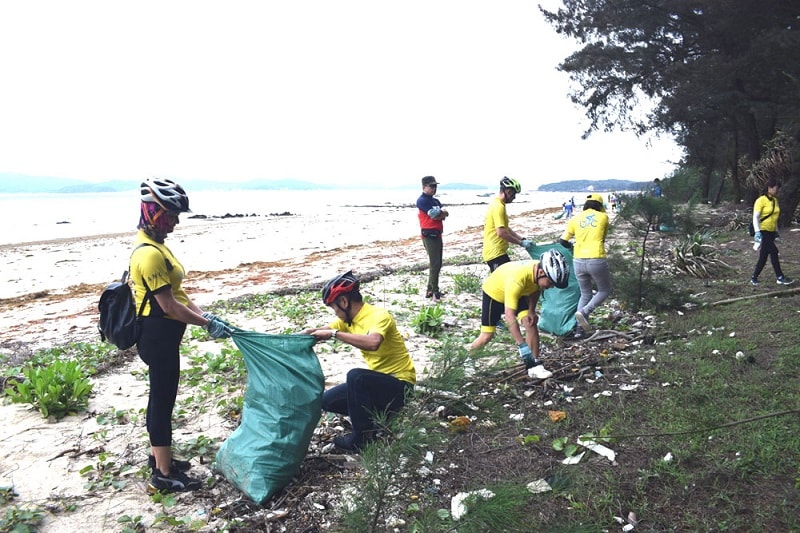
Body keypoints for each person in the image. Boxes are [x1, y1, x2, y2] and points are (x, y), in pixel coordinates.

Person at [131, 178, 233, 493]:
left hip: (164, 334)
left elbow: (180, 293)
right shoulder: (148, 254)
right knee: (161, 402)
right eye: (171, 215)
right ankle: (162, 474)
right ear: (153, 211)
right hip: (157, 335)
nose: (175, 221)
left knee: (163, 399)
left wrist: (206, 315)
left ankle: (159, 458)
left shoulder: (158, 245)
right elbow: (170, 306)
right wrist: (204, 325)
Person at [302, 271, 416, 452]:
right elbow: (318, 332)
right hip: (379, 387)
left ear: (344, 302)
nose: (335, 313)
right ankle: (379, 417)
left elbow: (373, 343)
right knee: (326, 401)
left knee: (356, 376)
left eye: (334, 308)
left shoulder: (378, 315)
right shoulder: (347, 321)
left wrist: (334, 334)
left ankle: (362, 439)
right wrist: (299, 337)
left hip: (401, 386)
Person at [468, 249, 570, 379]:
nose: (551, 287)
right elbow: (509, 316)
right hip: (494, 293)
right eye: (550, 283)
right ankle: (468, 361)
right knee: (487, 335)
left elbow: (536, 289)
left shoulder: (538, 273)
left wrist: (532, 310)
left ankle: (533, 365)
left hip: (520, 292)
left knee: (530, 322)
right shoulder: (518, 279)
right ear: (541, 272)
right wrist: (522, 345)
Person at [559, 193, 611, 338]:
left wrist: (573, 246)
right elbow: (603, 237)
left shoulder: (575, 219)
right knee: (604, 290)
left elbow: (562, 241)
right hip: (596, 258)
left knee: (585, 293)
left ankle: (579, 330)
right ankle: (584, 312)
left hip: (578, 260)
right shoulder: (603, 217)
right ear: (600, 205)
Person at [482, 176, 533, 272]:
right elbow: (501, 232)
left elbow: (506, 228)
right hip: (495, 254)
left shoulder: (497, 204)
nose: (514, 198)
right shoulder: (498, 207)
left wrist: (521, 239)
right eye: (514, 194)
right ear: (508, 191)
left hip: (498, 252)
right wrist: (520, 243)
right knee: (502, 283)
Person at [751, 178, 794, 286]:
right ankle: (780, 277)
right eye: (776, 188)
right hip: (763, 230)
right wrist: (757, 232)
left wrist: (776, 232)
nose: (777, 190)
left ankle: (754, 277)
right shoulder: (760, 200)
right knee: (774, 251)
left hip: (771, 231)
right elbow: (755, 217)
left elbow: (774, 218)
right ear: (769, 188)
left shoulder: (775, 200)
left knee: (764, 256)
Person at [416, 176, 449, 301]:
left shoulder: (435, 201)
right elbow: (434, 215)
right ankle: (435, 291)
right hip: (429, 236)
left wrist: (441, 214)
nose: (434, 188)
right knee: (435, 264)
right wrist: (441, 213)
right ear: (424, 186)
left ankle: (430, 289)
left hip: (437, 234)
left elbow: (444, 214)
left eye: (435, 186)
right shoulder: (422, 200)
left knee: (437, 263)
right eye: (431, 186)